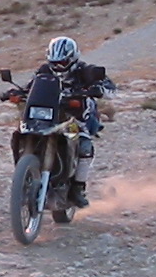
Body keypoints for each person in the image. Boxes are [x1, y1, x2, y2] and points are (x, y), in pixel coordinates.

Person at [34, 36, 114, 208]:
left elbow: (111, 89)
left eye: (62, 62)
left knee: (85, 147)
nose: (58, 66)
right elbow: (32, 86)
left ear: (72, 58)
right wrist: (16, 92)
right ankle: (28, 173)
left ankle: (78, 188)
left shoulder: (86, 71)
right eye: (54, 62)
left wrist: (99, 89)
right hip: (49, 116)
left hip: (77, 120)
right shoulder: (44, 70)